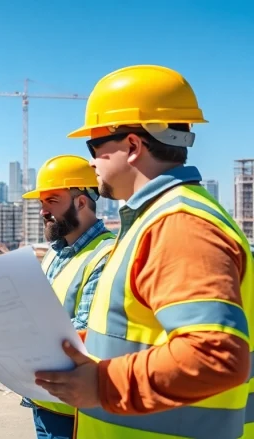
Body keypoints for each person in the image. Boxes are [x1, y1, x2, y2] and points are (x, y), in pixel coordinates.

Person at [35, 64, 254, 439]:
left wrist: (103, 384)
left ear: (133, 146)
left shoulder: (179, 224)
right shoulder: (153, 218)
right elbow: (143, 331)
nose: (91, 162)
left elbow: (216, 355)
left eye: (94, 146)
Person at [19, 155, 114, 439]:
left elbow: (85, 333)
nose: (43, 211)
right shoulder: (54, 253)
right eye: (41, 203)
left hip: (74, 410)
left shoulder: (106, 254)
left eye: (52, 201)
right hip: (43, 399)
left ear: (81, 202)